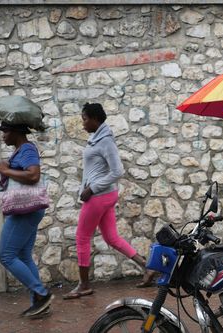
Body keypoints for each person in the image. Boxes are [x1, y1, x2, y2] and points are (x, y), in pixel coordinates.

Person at [63, 103, 154, 300]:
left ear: (96, 119)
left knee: (81, 238)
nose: (83, 123)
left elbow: (118, 171)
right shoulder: (96, 138)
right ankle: (147, 267)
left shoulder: (105, 141)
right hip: (104, 195)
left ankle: (84, 285)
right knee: (111, 238)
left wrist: (91, 189)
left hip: (99, 196)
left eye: (85, 119)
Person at [0, 122, 53, 318]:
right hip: (28, 210)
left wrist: (4, 170)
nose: (3, 135)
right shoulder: (20, 151)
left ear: (16, 132)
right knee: (22, 256)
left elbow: (32, 175)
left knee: (6, 255)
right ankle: (39, 304)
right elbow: (17, 185)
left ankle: (41, 293)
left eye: (5, 131)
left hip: (25, 212)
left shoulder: (27, 149)